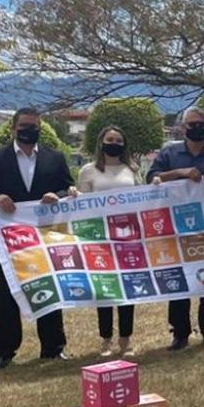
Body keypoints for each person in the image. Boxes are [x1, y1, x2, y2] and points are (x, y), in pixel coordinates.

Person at [0, 108, 75, 368]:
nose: (29, 130)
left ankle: (53, 346)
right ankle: (4, 351)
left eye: (34, 126)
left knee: (49, 288)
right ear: (13, 128)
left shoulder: (55, 157)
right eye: (24, 126)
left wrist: (57, 194)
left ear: (40, 127)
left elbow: (68, 187)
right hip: (8, 238)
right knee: (6, 291)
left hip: (44, 235)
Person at [147, 105, 204, 351]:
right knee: (178, 280)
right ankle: (180, 333)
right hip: (174, 228)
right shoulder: (169, 154)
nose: (196, 128)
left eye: (201, 124)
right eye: (191, 124)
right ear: (183, 127)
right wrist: (181, 172)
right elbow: (151, 179)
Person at [73, 125, 139, 358]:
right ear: (101, 142)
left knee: (126, 288)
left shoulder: (131, 169)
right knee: (104, 288)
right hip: (99, 236)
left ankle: (126, 338)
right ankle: (106, 339)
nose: (114, 143)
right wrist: (74, 196)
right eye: (110, 139)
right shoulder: (88, 171)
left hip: (127, 236)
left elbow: (141, 199)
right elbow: (82, 204)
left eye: (118, 140)